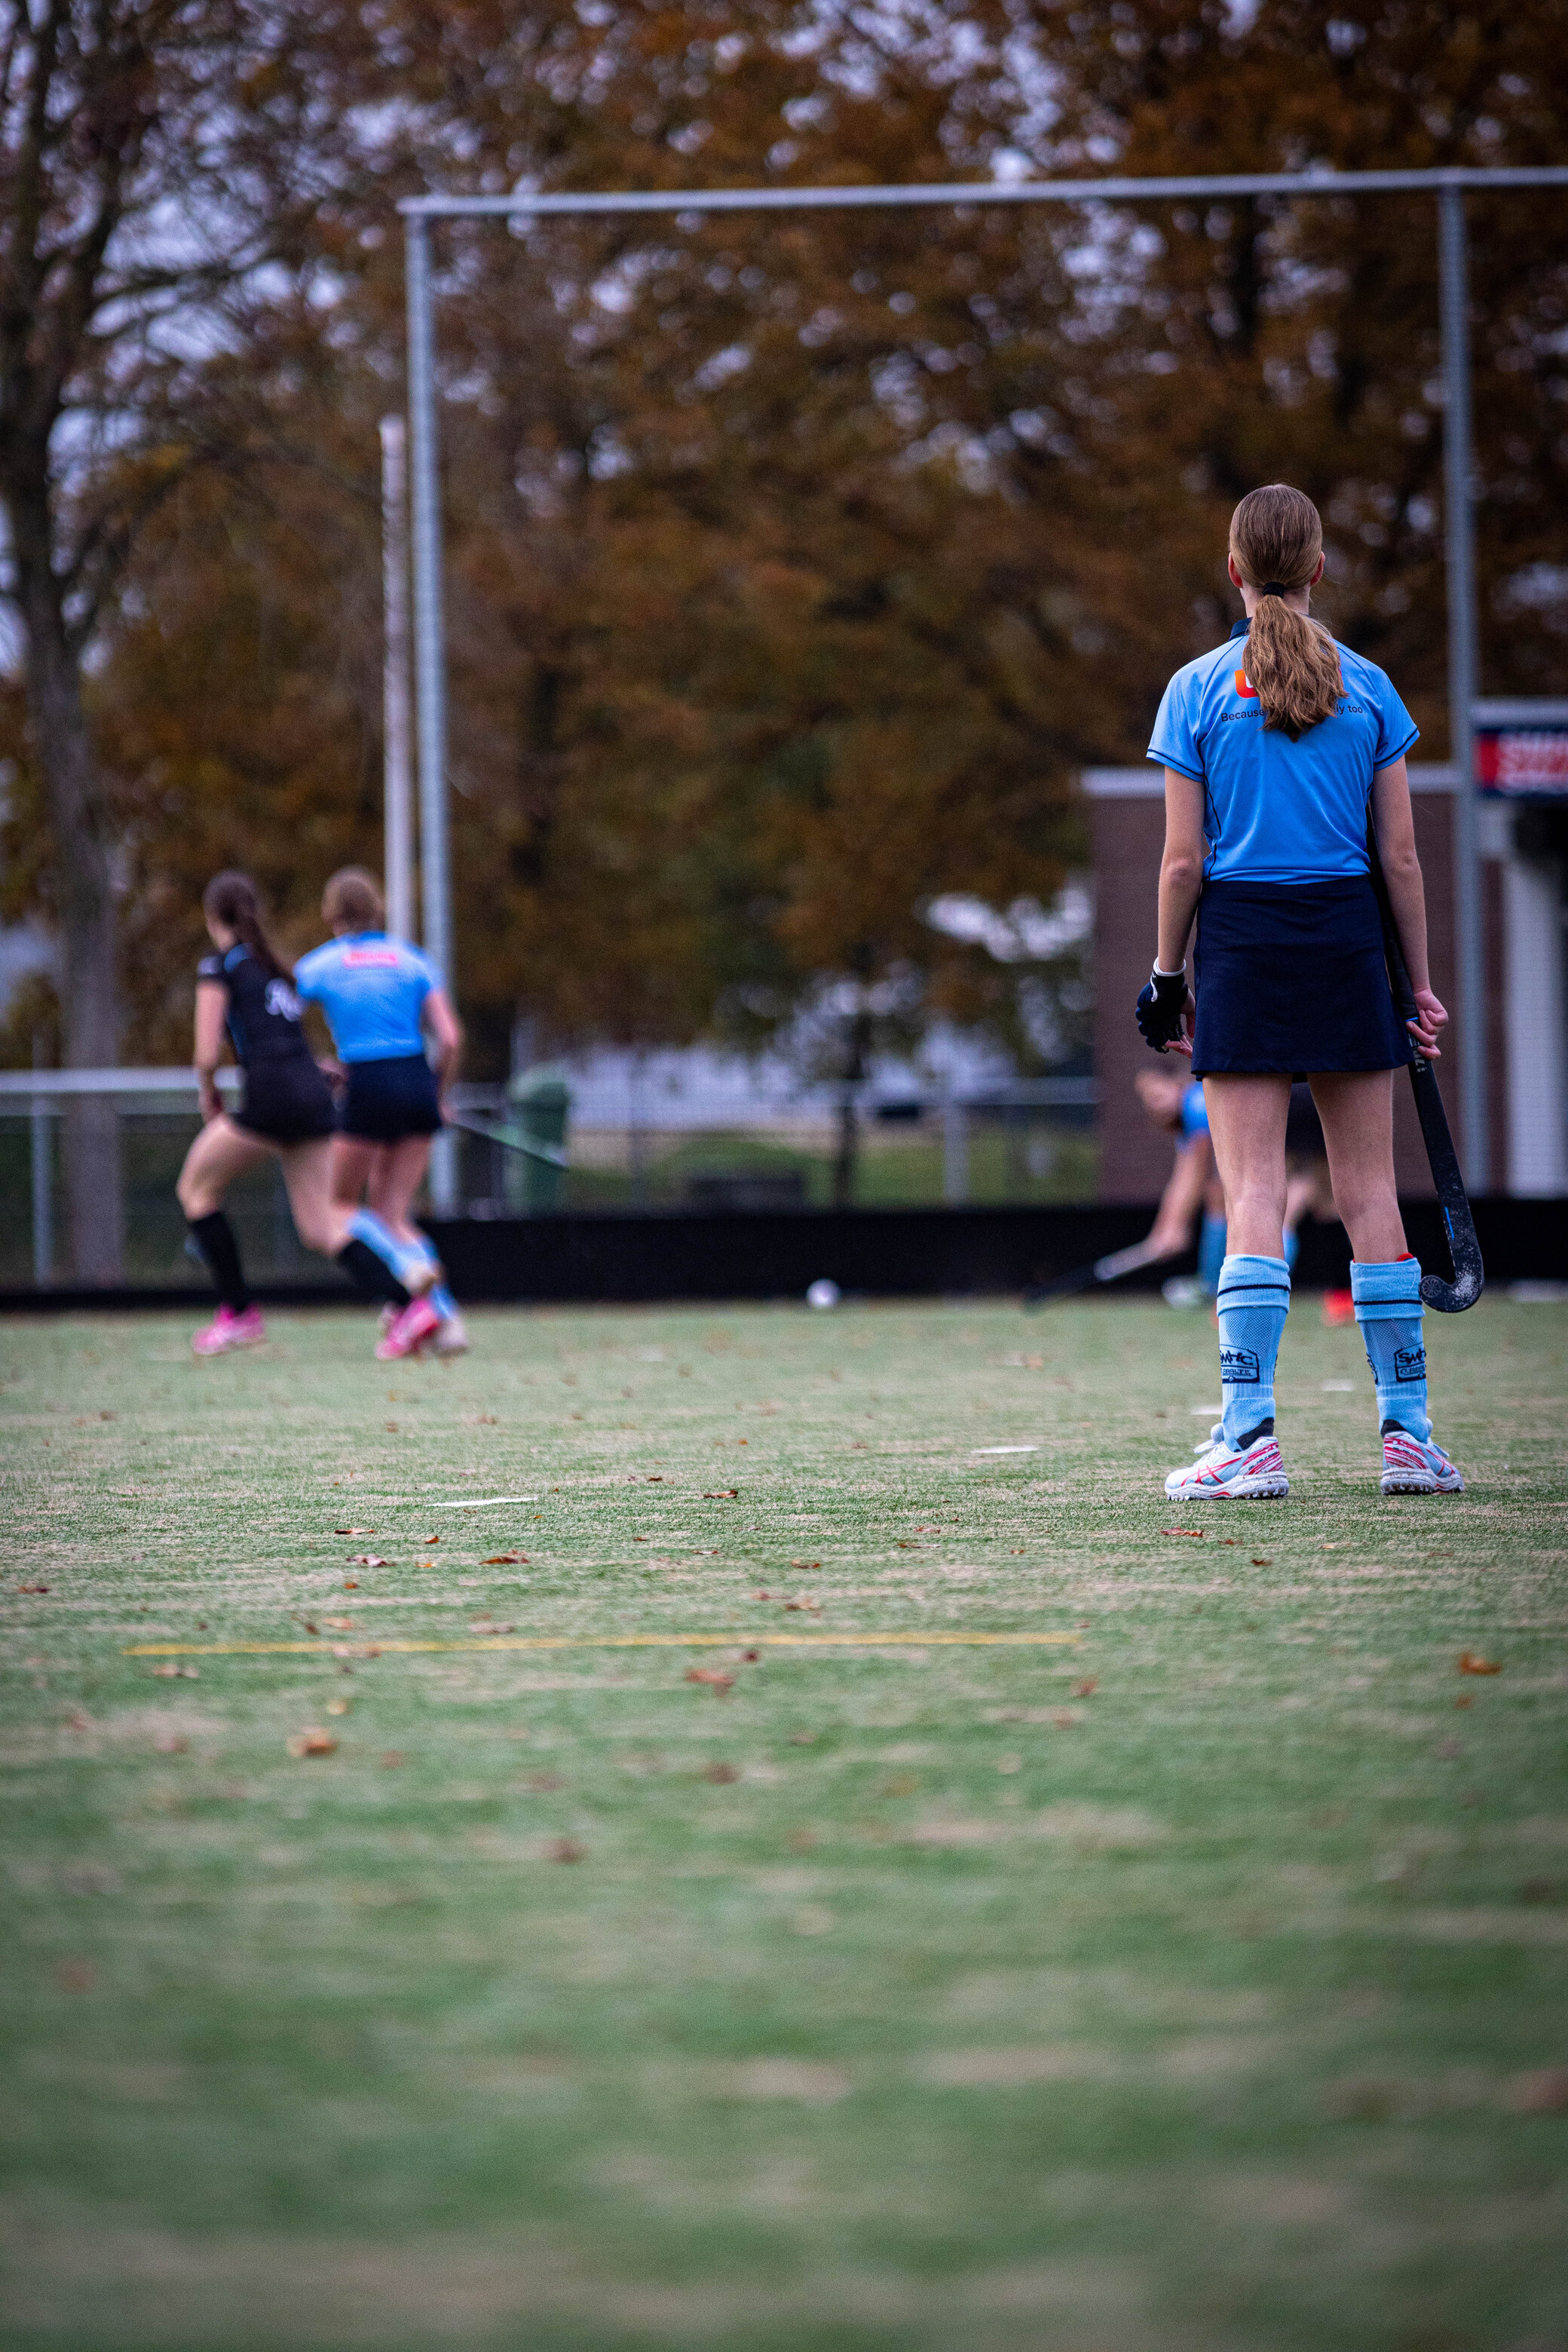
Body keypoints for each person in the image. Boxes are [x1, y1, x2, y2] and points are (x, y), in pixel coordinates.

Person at [1136, 482, 1464, 1501]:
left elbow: (1182, 865)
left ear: (1233, 571)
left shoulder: (1194, 689)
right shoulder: (1370, 689)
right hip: (1344, 944)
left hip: (1242, 945)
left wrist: (1166, 977)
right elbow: (1399, 863)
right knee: (1371, 1197)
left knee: (1256, 1197)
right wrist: (1415, 987)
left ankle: (1250, 1441)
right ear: (1319, 570)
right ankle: (1407, 1439)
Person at [175, 871, 437, 1359]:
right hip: (311, 1097)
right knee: (321, 1227)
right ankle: (408, 1308)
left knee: (196, 1189)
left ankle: (239, 1314)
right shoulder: (275, 966)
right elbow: (286, 1039)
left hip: (271, 1100)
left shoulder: (220, 967)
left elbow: (206, 1052)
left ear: (214, 919)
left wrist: (209, 1092)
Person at [294, 868, 467, 1356]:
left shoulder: (322, 965)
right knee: (393, 1211)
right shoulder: (413, 960)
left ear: (332, 915)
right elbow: (450, 1039)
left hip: (365, 1082)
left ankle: (406, 1272)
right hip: (416, 1079)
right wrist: (438, 1093)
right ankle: (448, 1322)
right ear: (379, 911)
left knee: (341, 1207)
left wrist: (313, 1066)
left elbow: (279, 1016)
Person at [1132, 1068, 1228, 1308]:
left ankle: (1214, 1286)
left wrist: (1178, 1227)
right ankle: (1214, 1284)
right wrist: (1162, 1231)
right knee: (1218, 1194)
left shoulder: (1196, 1104)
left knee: (1219, 1193)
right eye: (1147, 1102)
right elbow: (1180, 1179)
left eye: (1157, 1095)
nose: (1154, 1106)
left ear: (1175, 1084)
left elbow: (1197, 1173)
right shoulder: (1187, 1118)